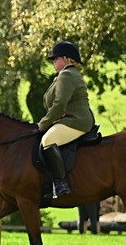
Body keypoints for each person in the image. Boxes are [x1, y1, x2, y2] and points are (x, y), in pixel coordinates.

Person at [37, 40, 96, 198]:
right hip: (72, 120)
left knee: (47, 141)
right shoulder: (66, 75)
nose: (53, 62)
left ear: (66, 59)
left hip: (74, 121)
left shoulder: (67, 75)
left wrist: (43, 124)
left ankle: (60, 184)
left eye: (56, 59)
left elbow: (59, 104)